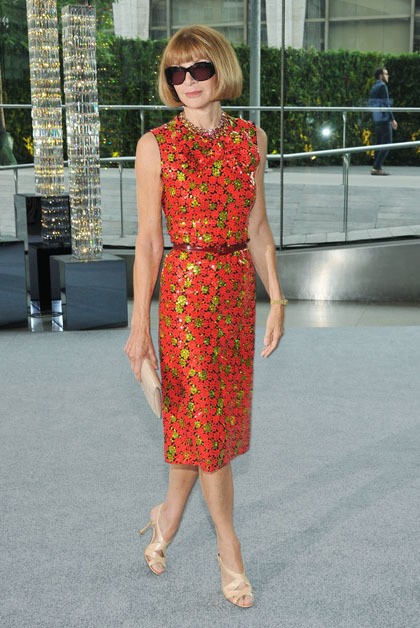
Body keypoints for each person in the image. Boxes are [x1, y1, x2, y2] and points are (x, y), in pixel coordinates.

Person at [124, 24, 286, 608]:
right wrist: (139, 324)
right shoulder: (155, 146)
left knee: (203, 422)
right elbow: (148, 242)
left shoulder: (251, 139)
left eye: (199, 69)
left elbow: (257, 227)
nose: (187, 81)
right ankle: (229, 548)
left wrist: (277, 299)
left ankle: (166, 517)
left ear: (221, 70)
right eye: (176, 72)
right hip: (187, 293)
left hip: (236, 293)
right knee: (209, 429)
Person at [368, 67, 398, 175]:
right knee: (387, 143)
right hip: (384, 119)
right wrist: (392, 119)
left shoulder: (374, 87)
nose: (388, 76)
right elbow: (386, 104)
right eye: (386, 74)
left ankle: (376, 167)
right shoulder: (382, 86)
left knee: (379, 144)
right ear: (381, 75)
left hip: (377, 118)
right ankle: (377, 167)